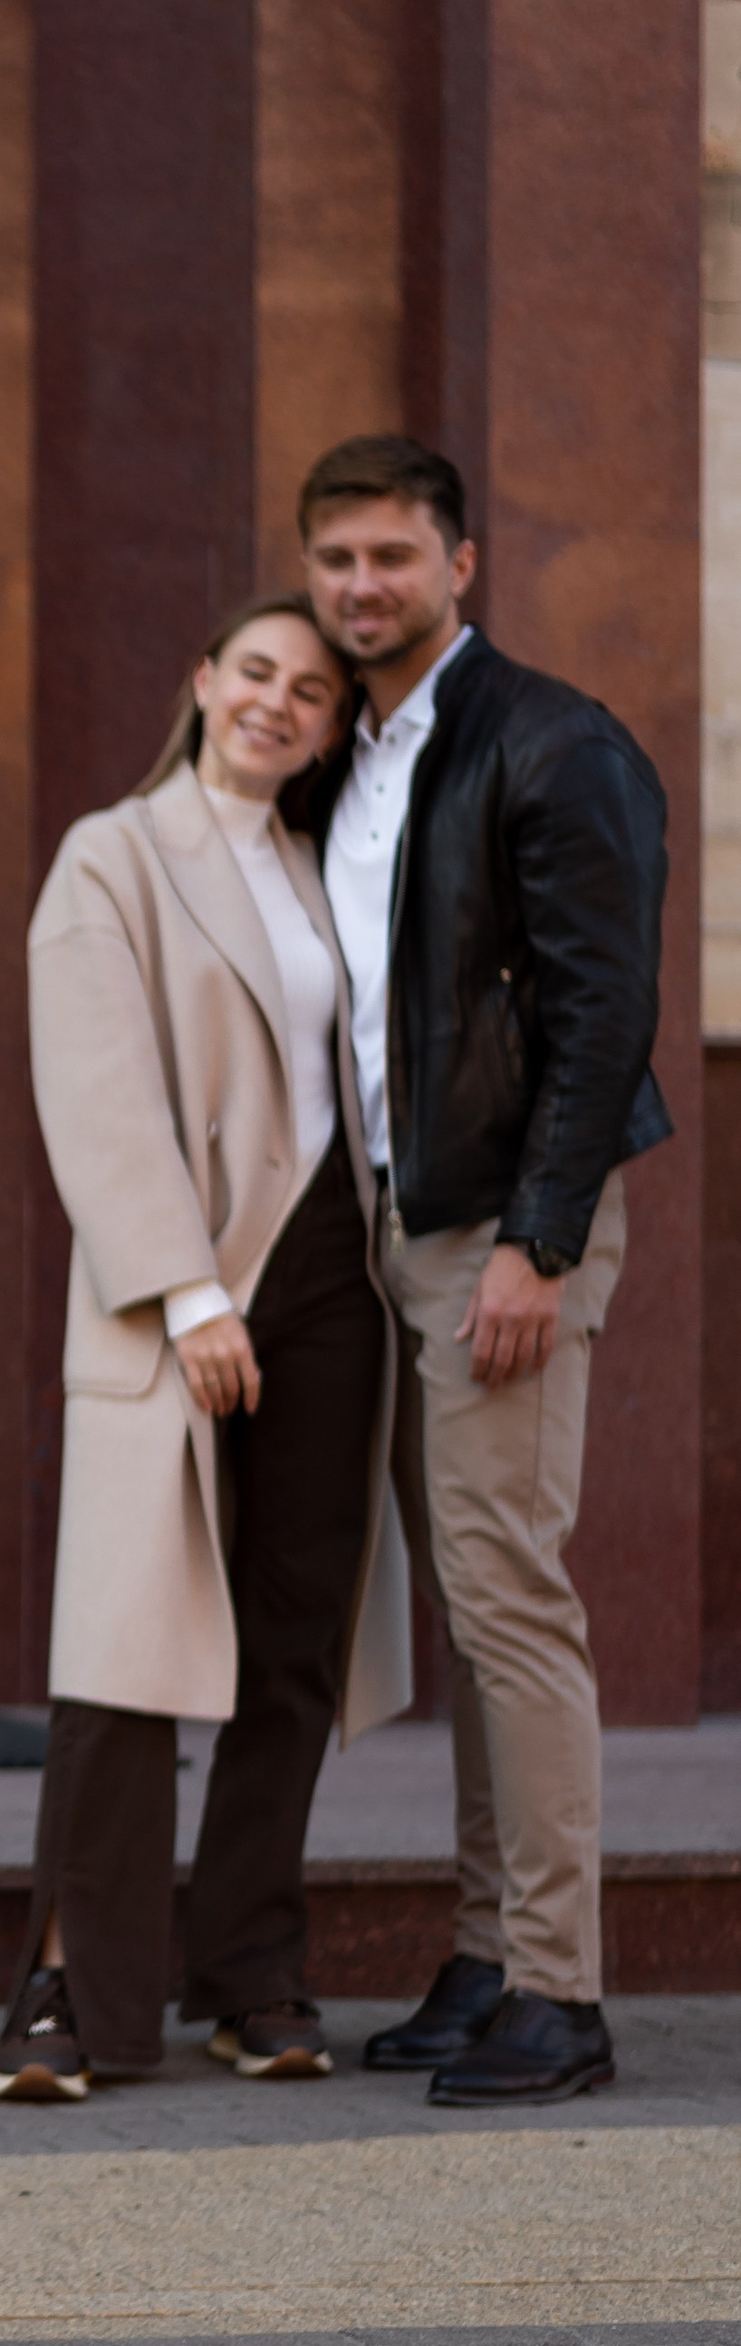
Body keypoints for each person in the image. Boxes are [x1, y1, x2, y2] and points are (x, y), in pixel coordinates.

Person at [0, 597, 408, 2102]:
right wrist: (184, 1292)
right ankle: (67, 1989)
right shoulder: (112, 853)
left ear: (331, 726)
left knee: (291, 1640)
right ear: (203, 680)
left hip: (333, 1276)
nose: (278, 702)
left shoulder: (324, 866)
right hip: (176, 1285)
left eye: (312, 690)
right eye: (257, 673)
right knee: (124, 1643)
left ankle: (249, 1974)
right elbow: (95, 1084)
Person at [299, 434, 668, 2108]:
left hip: (501, 1229)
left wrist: (541, 1238)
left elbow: (606, 1010)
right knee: (466, 1591)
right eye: (337, 558)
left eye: (393, 553)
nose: (362, 583)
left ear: (460, 564)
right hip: (400, 1217)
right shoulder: (361, 753)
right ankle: (484, 1950)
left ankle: (559, 1986)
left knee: (510, 1590)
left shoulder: (551, 738)